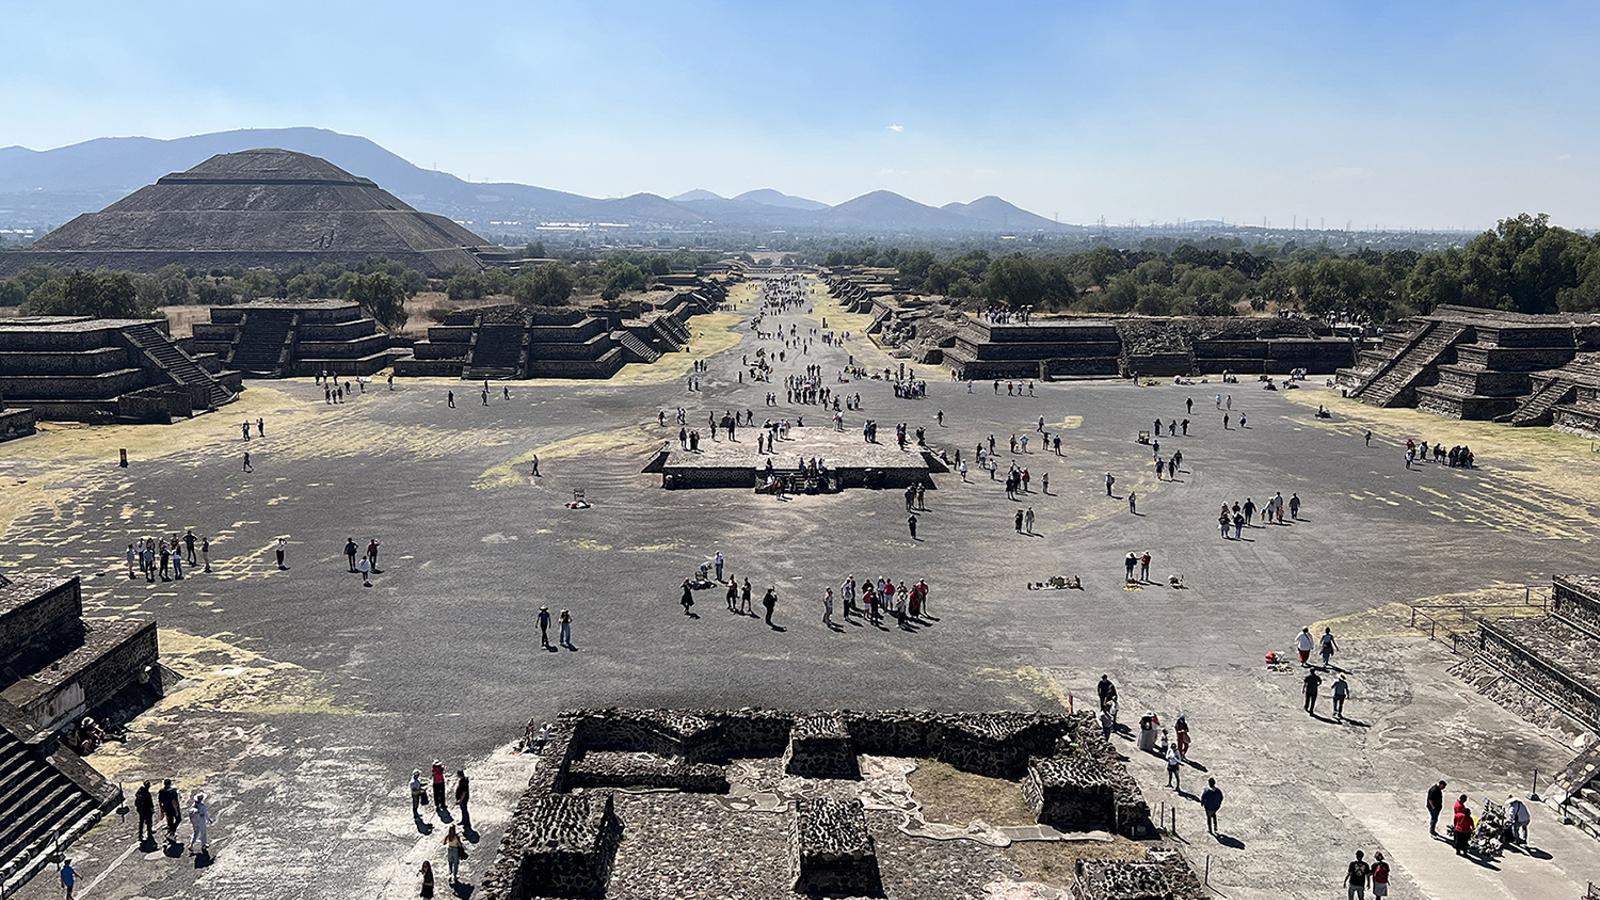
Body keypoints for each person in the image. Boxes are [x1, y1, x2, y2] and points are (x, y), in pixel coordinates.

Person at [158, 779, 181, 843]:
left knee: (170, 820)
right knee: (178, 819)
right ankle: (172, 832)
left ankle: (170, 831)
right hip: (173, 808)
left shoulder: (161, 791)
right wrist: (176, 811)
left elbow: (160, 801)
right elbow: (173, 802)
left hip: (166, 808)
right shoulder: (173, 791)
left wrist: (161, 811)